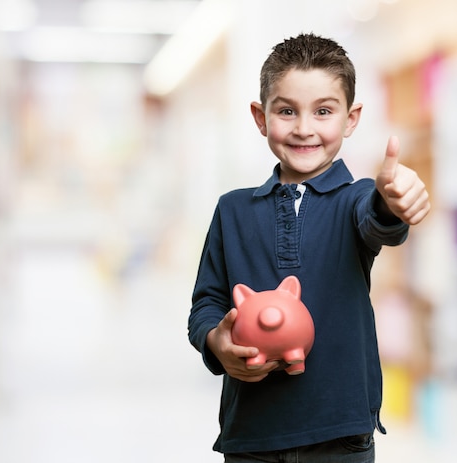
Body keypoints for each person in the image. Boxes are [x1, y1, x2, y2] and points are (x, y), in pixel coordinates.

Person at [187, 33, 430, 463]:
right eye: (286, 111)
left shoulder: (355, 199)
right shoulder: (232, 210)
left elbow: (379, 223)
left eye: (323, 111)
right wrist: (218, 343)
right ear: (260, 117)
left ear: (351, 119)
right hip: (253, 434)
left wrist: (393, 200)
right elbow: (206, 302)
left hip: (340, 436)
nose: (303, 128)